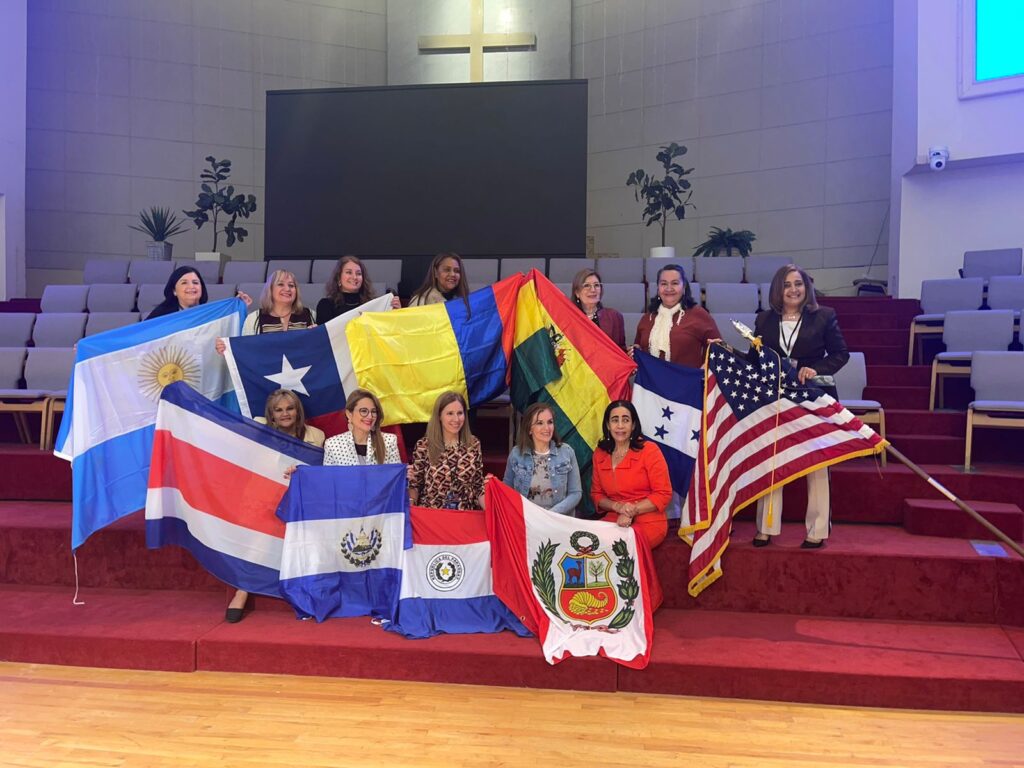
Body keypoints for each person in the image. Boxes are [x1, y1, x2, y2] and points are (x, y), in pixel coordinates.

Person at [752, 264, 850, 550]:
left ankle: (817, 530)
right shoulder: (764, 320)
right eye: (787, 285)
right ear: (777, 290)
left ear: (806, 287)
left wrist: (815, 369)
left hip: (813, 396)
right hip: (775, 398)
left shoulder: (824, 316)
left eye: (798, 284)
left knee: (816, 462)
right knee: (772, 460)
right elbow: (755, 359)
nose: (793, 290)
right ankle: (765, 527)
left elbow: (840, 354)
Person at [226, 389, 324, 624]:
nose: (285, 414)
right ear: (271, 415)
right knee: (263, 528)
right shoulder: (261, 432)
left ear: (298, 410)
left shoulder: (317, 436)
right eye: (278, 410)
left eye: (290, 408)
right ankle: (242, 590)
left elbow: (319, 473)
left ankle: (306, 589)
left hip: (302, 499)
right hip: (267, 497)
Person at [591, 400, 672, 548]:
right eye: (615, 420)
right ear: (608, 425)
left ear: (633, 425)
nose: (620, 426)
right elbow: (597, 495)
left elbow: (663, 493)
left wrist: (630, 511)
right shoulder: (600, 453)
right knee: (592, 545)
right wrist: (617, 507)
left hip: (649, 519)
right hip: (615, 517)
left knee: (621, 548)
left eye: (626, 420)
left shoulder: (650, 450)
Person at [407, 391, 485, 510]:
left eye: (460, 413)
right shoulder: (424, 445)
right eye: (450, 413)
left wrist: (493, 513)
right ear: (439, 416)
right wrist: (411, 507)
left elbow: (478, 486)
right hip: (433, 515)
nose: (456, 419)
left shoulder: (473, 444)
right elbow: (415, 485)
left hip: (465, 514)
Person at [633, 263, 720, 367]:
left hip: (687, 377)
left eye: (675, 283)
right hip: (650, 377)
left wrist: (705, 369)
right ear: (658, 288)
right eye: (664, 284)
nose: (669, 288)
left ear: (684, 288)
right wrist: (635, 351)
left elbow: (717, 351)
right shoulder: (647, 318)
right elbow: (638, 348)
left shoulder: (699, 315)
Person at [502, 403, 582, 515]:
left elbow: (575, 493)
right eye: (540, 423)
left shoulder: (567, 452)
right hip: (526, 519)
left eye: (550, 422)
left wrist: (550, 514)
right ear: (529, 429)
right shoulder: (516, 454)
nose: (547, 428)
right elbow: (506, 490)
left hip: (557, 519)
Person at [323, 389, 401, 466]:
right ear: (349, 414)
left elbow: (396, 473)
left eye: (373, 411)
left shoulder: (389, 441)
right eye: (364, 411)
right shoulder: (332, 445)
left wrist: (406, 473)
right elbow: (329, 475)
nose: (370, 416)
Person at [315, 255, 401, 324]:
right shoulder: (326, 305)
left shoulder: (374, 304)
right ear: (338, 278)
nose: (354, 277)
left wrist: (397, 313)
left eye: (359, 274)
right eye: (349, 272)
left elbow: (388, 330)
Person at [242, 269, 315, 335]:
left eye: (291, 285)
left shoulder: (311, 315)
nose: (287, 289)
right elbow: (247, 345)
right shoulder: (254, 318)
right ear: (270, 289)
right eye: (280, 284)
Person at [572, 268, 625, 348]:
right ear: (577, 293)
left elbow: (621, 350)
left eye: (596, 285)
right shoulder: (569, 318)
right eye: (586, 285)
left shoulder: (614, 316)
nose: (593, 290)